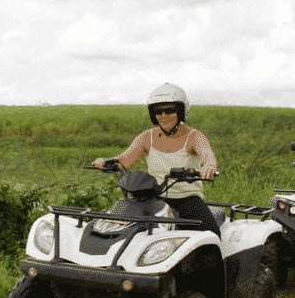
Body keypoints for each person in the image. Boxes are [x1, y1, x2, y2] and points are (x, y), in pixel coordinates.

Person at [92, 83, 221, 236]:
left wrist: (209, 167)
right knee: (124, 229)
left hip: (186, 199)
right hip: (154, 198)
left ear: (181, 111)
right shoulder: (148, 137)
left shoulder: (194, 136)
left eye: (169, 110)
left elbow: (208, 155)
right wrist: (105, 162)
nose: (163, 116)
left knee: (210, 235)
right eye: (158, 111)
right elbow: (124, 160)